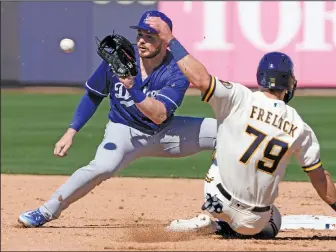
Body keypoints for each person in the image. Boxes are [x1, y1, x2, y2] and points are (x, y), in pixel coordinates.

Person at [146, 16, 336, 237]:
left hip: (217, 197)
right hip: (254, 221)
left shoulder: (239, 97)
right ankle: (224, 228)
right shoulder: (300, 127)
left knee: (223, 136)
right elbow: (319, 176)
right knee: (275, 222)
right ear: (289, 84)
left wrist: (170, 39)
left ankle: (213, 219)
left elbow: (201, 79)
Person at [18, 10, 217, 228]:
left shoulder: (177, 70)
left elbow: (159, 116)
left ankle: (229, 209)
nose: (142, 41)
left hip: (166, 133)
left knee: (225, 132)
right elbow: (94, 94)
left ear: (164, 40)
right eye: (140, 34)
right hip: (123, 131)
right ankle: (45, 211)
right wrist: (71, 130)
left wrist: (134, 89)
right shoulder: (121, 58)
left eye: (150, 36)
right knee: (101, 167)